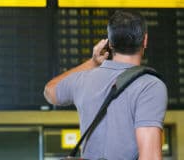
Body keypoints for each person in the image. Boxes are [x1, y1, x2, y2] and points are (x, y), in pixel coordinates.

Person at [44, 10, 167, 160]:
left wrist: (93, 62)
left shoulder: (83, 80)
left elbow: (49, 91)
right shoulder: (149, 86)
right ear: (145, 40)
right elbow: (150, 157)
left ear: (110, 43)